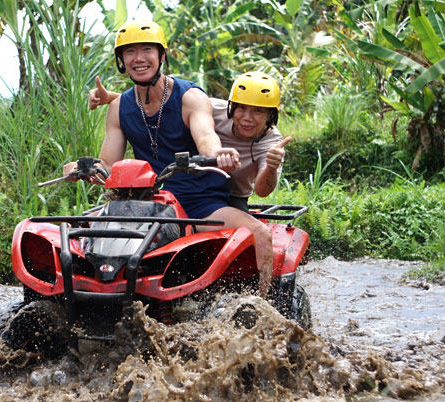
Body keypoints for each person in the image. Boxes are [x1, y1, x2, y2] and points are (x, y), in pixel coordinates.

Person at [66, 20, 276, 298]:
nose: (139, 58)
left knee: (260, 235)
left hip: (200, 202)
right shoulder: (118, 107)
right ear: (121, 60)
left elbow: (206, 137)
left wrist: (218, 154)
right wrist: (80, 168)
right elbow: (108, 165)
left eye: (147, 50)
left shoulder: (190, 97)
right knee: (72, 233)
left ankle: (268, 310)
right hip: (145, 204)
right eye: (130, 52)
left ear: (162, 55)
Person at [89, 71, 293, 213]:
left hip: (233, 195)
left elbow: (262, 191)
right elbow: (168, 104)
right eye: (241, 108)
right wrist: (111, 99)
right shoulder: (216, 109)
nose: (247, 117)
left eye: (258, 111)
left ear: (270, 116)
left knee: (249, 237)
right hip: (195, 186)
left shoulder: (272, 143)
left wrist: (272, 167)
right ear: (232, 107)